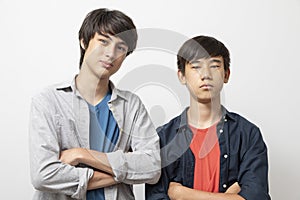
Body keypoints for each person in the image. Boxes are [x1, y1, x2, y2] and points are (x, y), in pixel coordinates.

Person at [29, 8, 160, 200]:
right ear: (84, 41)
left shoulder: (131, 105)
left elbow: (152, 167)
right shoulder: (48, 100)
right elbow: (43, 175)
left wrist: (81, 155)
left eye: (121, 47)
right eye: (104, 41)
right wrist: (121, 173)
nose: (111, 54)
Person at [145, 35, 271, 200]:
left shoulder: (247, 134)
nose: (205, 75)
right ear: (182, 76)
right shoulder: (163, 138)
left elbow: (257, 196)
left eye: (214, 66)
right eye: (196, 67)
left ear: (226, 75)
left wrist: (182, 194)